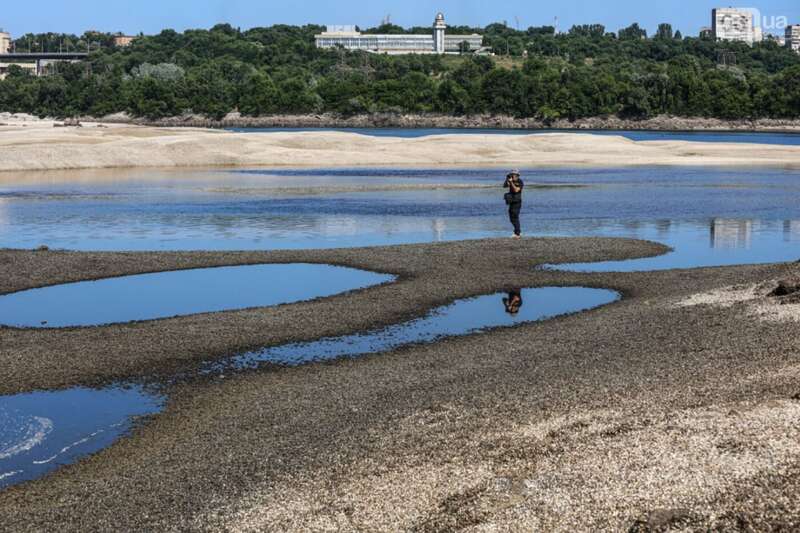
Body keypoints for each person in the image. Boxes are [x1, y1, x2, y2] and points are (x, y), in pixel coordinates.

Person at [504, 170, 524, 238]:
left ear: (518, 175)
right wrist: (507, 180)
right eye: (512, 175)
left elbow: (516, 190)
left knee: (515, 217)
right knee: (511, 218)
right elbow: (505, 186)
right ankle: (518, 231)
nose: (513, 176)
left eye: (515, 175)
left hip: (517, 202)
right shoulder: (510, 180)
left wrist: (512, 182)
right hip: (511, 201)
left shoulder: (520, 182)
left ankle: (517, 233)